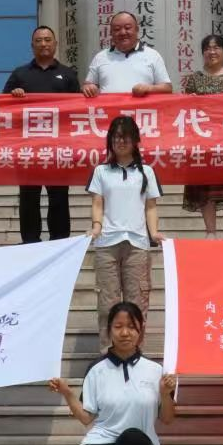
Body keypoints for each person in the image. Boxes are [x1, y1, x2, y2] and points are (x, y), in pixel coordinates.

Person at [48, 302, 177, 445]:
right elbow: (86, 417)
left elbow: (168, 419)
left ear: (140, 330)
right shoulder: (96, 370)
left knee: (132, 438)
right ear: (109, 330)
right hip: (103, 440)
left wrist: (164, 393)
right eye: (118, 326)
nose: (125, 333)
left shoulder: (156, 370)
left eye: (131, 327)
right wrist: (67, 393)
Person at [87, 116, 164, 349]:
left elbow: (150, 207)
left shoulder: (146, 172)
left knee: (137, 302)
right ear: (110, 140)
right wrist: (97, 226)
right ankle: (107, 351)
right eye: (116, 137)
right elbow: (97, 203)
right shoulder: (101, 171)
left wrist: (154, 233)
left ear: (135, 140)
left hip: (137, 244)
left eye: (125, 137)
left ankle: (135, 351)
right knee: (107, 303)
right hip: (107, 244)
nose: (121, 142)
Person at [4, 26, 80, 243]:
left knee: (59, 197)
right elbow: (3, 107)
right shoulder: (20, 74)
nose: (44, 44)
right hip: (28, 148)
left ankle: (60, 241)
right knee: (29, 197)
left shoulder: (68, 74)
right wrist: (13, 95)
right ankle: (30, 242)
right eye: (39, 40)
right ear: (32, 46)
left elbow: (78, 110)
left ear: (55, 44)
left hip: (58, 147)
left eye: (48, 40)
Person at [181, 34, 223, 239]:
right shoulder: (194, 79)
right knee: (205, 187)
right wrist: (190, 100)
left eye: (216, 47)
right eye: (208, 48)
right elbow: (183, 111)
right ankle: (210, 232)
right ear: (202, 52)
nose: (212, 52)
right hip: (202, 143)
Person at [81, 12, 173, 97]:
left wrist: (149, 88)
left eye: (128, 28)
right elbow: (87, 85)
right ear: (111, 33)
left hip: (141, 109)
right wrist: (88, 88)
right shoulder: (100, 57)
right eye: (117, 29)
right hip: (108, 109)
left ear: (137, 30)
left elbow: (167, 88)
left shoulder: (153, 55)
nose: (123, 32)